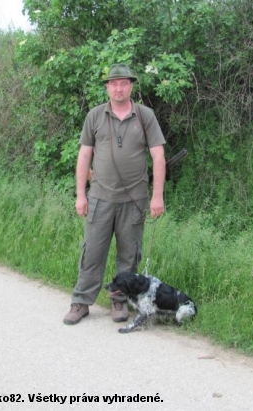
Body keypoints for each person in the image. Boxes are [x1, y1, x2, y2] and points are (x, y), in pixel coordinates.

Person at [63, 63, 166, 325]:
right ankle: (81, 302)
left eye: (124, 83)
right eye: (113, 83)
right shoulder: (95, 116)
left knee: (129, 255)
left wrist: (157, 197)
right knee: (92, 252)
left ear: (131, 86)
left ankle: (120, 301)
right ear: (107, 87)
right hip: (99, 198)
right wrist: (80, 194)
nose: (118, 88)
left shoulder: (145, 116)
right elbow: (84, 156)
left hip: (134, 200)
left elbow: (158, 156)